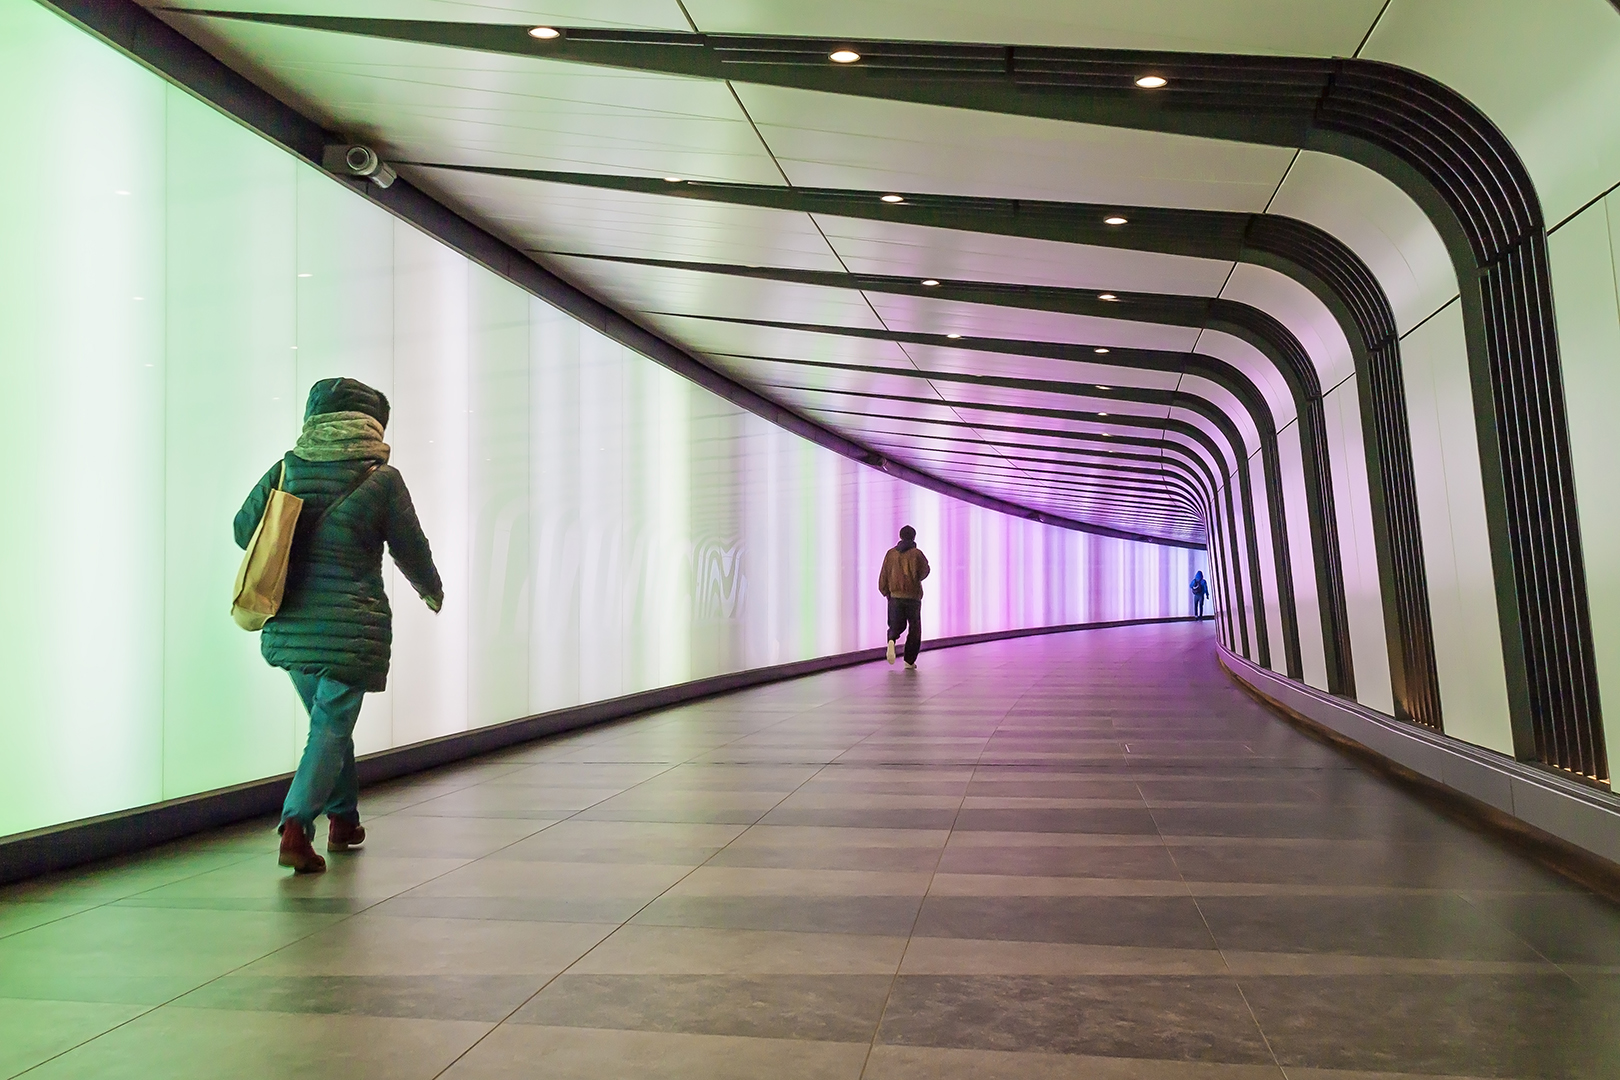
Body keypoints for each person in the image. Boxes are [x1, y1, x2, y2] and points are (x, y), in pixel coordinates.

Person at [234, 378, 443, 874]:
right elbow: (409, 545)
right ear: (372, 424)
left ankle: (344, 819)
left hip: (289, 622)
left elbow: (244, 530)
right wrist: (431, 588)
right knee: (331, 727)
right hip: (352, 626)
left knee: (329, 726)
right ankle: (295, 824)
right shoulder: (382, 478)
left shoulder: (287, 467)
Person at [878, 525, 931, 669]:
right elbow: (925, 571)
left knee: (896, 623)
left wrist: (886, 592)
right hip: (913, 596)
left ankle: (891, 640)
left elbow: (884, 574)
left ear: (900, 536)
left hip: (895, 596)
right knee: (914, 628)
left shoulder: (890, 554)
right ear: (914, 536)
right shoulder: (916, 554)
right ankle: (909, 661)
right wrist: (915, 578)